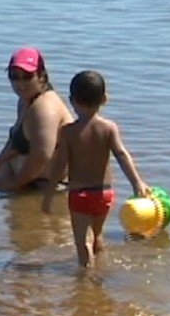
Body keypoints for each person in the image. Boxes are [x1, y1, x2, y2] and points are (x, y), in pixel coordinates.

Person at [42, 70, 151, 267]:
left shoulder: (68, 132)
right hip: (104, 195)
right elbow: (122, 154)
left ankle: (87, 284)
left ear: (71, 100)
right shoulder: (109, 128)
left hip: (80, 195)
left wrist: (49, 194)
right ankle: (100, 268)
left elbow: (59, 165)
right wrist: (137, 182)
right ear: (104, 99)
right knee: (97, 235)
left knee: (82, 243)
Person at [0, 47, 74, 192]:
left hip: (46, 183)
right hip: (27, 173)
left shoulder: (44, 108)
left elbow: (42, 156)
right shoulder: (26, 100)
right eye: (14, 76)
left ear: (41, 76)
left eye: (27, 76)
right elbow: (16, 141)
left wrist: (15, 184)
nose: (20, 83)